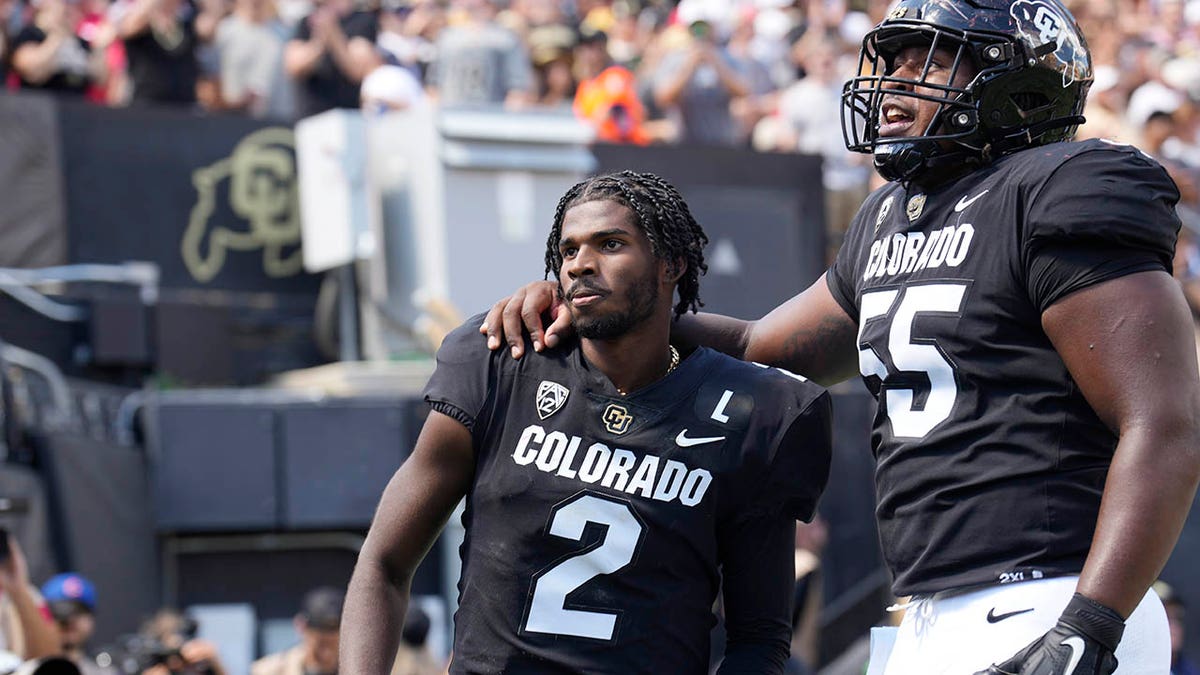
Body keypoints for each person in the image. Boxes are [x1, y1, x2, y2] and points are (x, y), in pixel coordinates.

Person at [481, 1, 1200, 673]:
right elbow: (767, 347)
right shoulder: (891, 216)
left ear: (1019, 84)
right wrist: (608, 309)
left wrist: (1090, 623)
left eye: (929, 63)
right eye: (895, 62)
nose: (894, 84)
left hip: (1053, 591)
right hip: (931, 609)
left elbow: (1165, 424)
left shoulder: (1061, 187)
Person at [341, 171, 833, 674]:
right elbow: (383, 564)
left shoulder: (751, 410)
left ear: (672, 264)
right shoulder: (499, 361)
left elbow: (759, 639)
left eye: (610, 244)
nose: (580, 265)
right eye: (568, 250)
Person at [250, 587, 341, 675]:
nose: (327, 653)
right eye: (321, 643)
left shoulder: (353, 669)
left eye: (333, 644)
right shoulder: (268, 671)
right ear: (301, 626)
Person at [41, 573, 116, 675]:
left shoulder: (105, 672)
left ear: (91, 619)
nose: (69, 620)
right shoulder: (27, 669)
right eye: (59, 613)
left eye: (79, 611)